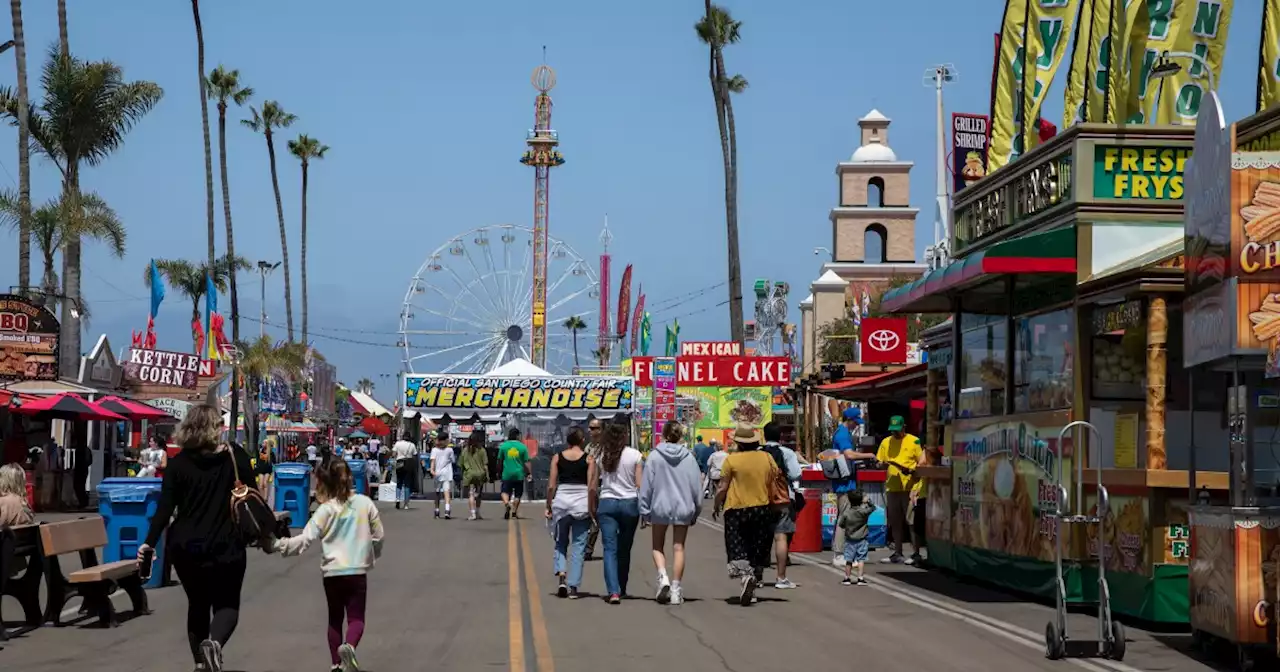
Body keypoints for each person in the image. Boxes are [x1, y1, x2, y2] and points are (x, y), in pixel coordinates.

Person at [139, 404, 254, 672]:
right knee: (227, 604)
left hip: (185, 547)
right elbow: (251, 494)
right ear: (215, 429)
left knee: (197, 604)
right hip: (227, 545)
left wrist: (149, 542)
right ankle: (214, 644)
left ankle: (201, 665)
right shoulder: (234, 457)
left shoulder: (178, 464)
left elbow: (164, 510)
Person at [274, 459, 385, 672]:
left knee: (334, 619)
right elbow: (378, 536)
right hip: (356, 570)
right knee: (356, 619)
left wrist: (278, 545)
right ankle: (349, 646)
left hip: (332, 572)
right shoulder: (364, 503)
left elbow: (304, 539)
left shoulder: (324, 510)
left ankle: (336, 663)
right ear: (350, 477)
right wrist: (373, 555)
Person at [713, 423, 782, 607]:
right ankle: (753, 584)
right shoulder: (766, 458)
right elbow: (774, 481)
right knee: (757, 547)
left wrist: (716, 504)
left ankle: (745, 577)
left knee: (738, 546)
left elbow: (722, 487)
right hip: (762, 507)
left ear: (738, 443)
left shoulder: (731, 460)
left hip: (737, 509)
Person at [638, 421, 702, 605]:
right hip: (683, 506)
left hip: (660, 506)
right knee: (679, 547)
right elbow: (696, 486)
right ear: (680, 435)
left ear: (664, 435)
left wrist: (644, 509)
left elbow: (647, 486)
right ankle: (676, 589)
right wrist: (696, 509)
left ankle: (662, 576)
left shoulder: (655, 457)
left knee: (657, 546)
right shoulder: (689, 457)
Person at [588, 423, 642, 604]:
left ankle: (613, 592)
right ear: (625, 436)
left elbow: (593, 486)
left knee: (609, 550)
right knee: (624, 549)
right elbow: (639, 486)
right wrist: (645, 511)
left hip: (607, 504)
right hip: (630, 504)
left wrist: (592, 508)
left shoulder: (601, 455)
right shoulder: (635, 455)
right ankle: (622, 587)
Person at [545, 427, 593, 599]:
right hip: (581, 503)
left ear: (567, 441)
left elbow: (551, 485)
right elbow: (591, 486)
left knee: (560, 542)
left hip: (562, 502)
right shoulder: (589, 459)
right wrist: (592, 507)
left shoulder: (557, 457)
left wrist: (549, 504)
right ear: (582, 441)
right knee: (579, 546)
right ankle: (573, 586)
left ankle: (562, 576)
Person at [828, 407, 876, 566]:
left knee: (845, 516)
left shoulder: (842, 433)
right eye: (856, 422)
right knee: (845, 517)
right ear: (850, 420)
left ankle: (844, 553)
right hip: (844, 483)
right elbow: (848, 454)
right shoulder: (843, 434)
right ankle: (839, 554)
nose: (857, 425)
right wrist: (868, 455)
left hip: (846, 481)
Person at [877, 415, 924, 565]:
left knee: (911, 521)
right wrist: (881, 465)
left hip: (910, 487)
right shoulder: (886, 442)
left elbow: (921, 463)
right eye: (893, 431)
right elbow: (879, 461)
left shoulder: (914, 441)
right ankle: (898, 552)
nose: (895, 434)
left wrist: (911, 471)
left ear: (904, 428)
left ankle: (916, 553)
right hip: (892, 487)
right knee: (895, 521)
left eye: (898, 431)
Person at [762, 421, 802, 589]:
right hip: (782, 499)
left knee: (761, 538)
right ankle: (781, 577)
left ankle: (757, 577)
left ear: (764, 436)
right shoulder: (787, 453)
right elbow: (795, 474)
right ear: (780, 437)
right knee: (781, 537)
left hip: (761, 499)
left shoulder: (758, 453)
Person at [837, 490, 875, 586]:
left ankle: (847, 578)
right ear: (861, 501)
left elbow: (841, 524)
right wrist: (868, 501)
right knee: (861, 559)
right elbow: (873, 508)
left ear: (849, 501)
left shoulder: (847, 513)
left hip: (850, 540)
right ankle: (860, 578)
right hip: (862, 539)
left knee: (849, 560)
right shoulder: (863, 512)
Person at [582, 419, 605, 560]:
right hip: (592, 486)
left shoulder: (607, 447)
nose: (590, 431)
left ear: (601, 430)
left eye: (594, 428)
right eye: (589, 428)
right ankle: (588, 549)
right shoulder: (589, 448)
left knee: (607, 519)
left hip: (606, 485)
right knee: (593, 518)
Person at [499, 428, 532, 520]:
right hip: (519, 474)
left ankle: (507, 503)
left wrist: (498, 471)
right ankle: (514, 512)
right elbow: (526, 462)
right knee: (518, 494)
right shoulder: (522, 447)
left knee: (504, 491)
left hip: (507, 473)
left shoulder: (504, 446)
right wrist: (529, 473)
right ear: (517, 436)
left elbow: (500, 460)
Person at [459, 430, 490, 520]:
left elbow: (461, 463)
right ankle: (478, 512)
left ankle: (472, 514)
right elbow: (485, 465)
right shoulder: (482, 450)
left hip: (469, 474)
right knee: (479, 494)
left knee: (471, 494)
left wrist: (462, 473)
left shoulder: (465, 450)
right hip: (480, 474)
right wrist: (487, 475)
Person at [428, 431, 456, 520]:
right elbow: (453, 460)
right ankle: (447, 510)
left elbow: (432, 461)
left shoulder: (434, 450)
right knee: (446, 492)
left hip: (437, 473)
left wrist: (432, 470)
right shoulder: (450, 450)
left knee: (437, 493)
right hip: (447, 473)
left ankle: (437, 511)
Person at [391, 436, 417, 510]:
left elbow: (393, 454)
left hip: (399, 462)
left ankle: (398, 499)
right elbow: (415, 455)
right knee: (407, 484)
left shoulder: (398, 443)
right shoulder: (412, 445)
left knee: (399, 482)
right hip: (409, 463)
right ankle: (406, 504)